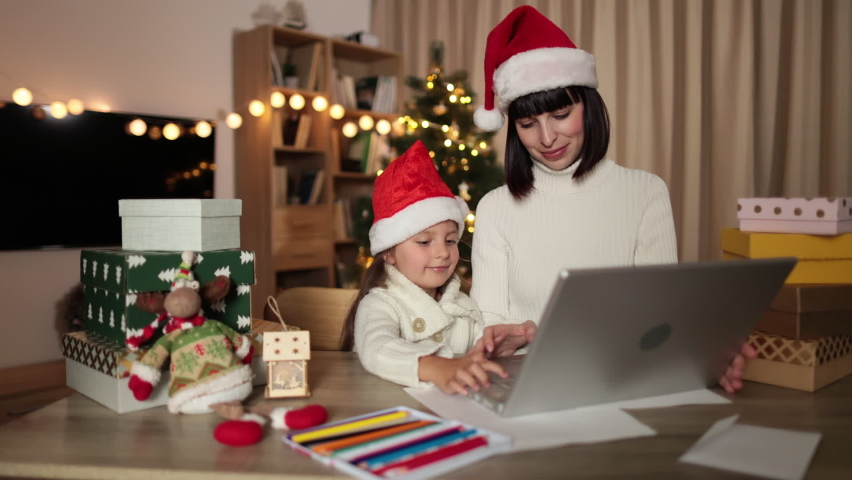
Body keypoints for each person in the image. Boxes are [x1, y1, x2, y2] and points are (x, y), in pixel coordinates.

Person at [469, 5, 754, 394]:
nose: (547, 138)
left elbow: (660, 316)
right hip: (525, 386)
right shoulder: (495, 208)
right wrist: (503, 338)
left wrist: (701, 353)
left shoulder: (646, 192)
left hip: (624, 382)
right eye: (528, 124)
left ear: (588, 106)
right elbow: (487, 324)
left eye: (561, 114)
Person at [339, 141, 531, 396]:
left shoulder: (463, 305)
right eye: (424, 241)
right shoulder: (380, 303)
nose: (443, 252)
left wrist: (500, 349)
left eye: (450, 240)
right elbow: (377, 348)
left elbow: (475, 359)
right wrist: (435, 366)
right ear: (388, 252)